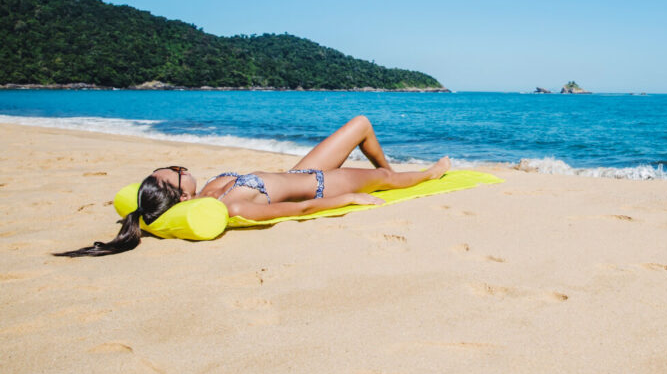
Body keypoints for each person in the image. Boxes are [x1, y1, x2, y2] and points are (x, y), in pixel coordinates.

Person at [55, 116, 450, 257]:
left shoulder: (209, 191)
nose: (180, 167)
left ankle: (393, 171)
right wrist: (347, 198)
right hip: (321, 185)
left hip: (299, 173)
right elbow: (295, 210)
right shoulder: (230, 208)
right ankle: (428, 174)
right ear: (182, 192)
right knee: (384, 180)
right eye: (176, 170)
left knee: (360, 124)